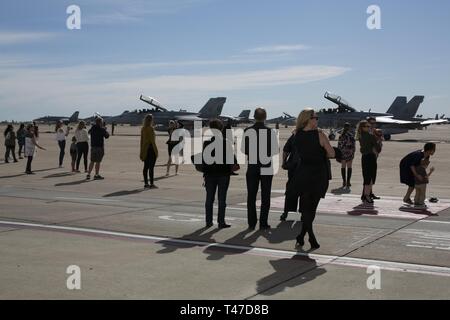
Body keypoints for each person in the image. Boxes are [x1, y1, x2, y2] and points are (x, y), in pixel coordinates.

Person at [286, 109, 334, 250]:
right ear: (309, 119)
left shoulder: (296, 134)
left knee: (306, 208)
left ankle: (301, 236)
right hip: (318, 174)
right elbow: (331, 154)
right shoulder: (320, 135)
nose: (317, 120)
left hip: (302, 173)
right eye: (316, 117)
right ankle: (311, 237)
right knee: (311, 209)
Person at [242, 108, 278, 230]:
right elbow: (275, 150)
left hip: (252, 166)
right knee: (265, 195)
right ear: (265, 117)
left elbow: (243, 150)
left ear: (254, 116)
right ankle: (263, 223)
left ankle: (251, 223)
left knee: (251, 196)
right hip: (266, 166)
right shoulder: (270, 132)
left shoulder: (247, 130)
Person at [202, 119, 238, 228]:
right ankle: (221, 222)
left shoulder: (206, 143)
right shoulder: (226, 142)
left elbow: (204, 160)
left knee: (209, 199)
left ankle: (208, 222)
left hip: (209, 174)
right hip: (223, 174)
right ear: (221, 129)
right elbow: (232, 159)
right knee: (222, 199)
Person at [356, 120, 380, 204]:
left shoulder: (360, 136)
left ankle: (366, 195)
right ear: (362, 128)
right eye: (367, 126)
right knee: (370, 177)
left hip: (364, 157)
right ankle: (367, 195)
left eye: (369, 126)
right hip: (370, 157)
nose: (368, 127)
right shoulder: (370, 136)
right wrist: (378, 139)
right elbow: (378, 148)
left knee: (366, 177)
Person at [280, 131, 300, 221]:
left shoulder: (295, 135)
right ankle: (303, 215)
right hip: (307, 168)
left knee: (291, 191)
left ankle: (288, 213)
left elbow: (286, 150)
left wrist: (284, 162)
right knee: (305, 192)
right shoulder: (315, 134)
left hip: (294, 167)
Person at [140, 114, 158, 188]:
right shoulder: (150, 129)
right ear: (151, 120)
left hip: (145, 149)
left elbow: (141, 140)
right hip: (151, 149)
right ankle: (152, 184)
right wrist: (156, 151)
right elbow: (152, 140)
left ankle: (146, 183)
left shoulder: (143, 129)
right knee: (151, 168)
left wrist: (142, 150)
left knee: (145, 167)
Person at [337, 123, 355, 188]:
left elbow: (339, 145)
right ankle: (348, 182)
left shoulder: (341, 135)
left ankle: (344, 181)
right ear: (349, 128)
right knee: (349, 167)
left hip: (343, 152)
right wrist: (353, 152)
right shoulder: (351, 135)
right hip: (349, 152)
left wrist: (339, 153)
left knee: (343, 167)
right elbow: (353, 145)